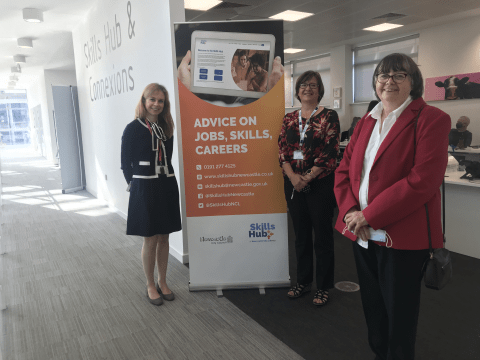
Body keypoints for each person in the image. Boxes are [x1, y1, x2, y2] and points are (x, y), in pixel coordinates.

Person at [334, 53, 450, 359]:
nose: (389, 82)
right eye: (383, 76)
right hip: (361, 233)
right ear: (374, 83)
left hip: (401, 237)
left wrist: (368, 214)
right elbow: (345, 171)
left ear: (414, 83)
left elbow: (422, 181)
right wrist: (349, 211)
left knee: (400, 316)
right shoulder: (366, 122)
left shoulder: (431, 120)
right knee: (373, 309)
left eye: (399, 75)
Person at [278, 70, 340, 306]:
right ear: (297, 90)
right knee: (301, 236)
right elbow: (282, 149)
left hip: (320, 184)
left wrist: (307, 177)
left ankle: (323, 286)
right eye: (303, 85)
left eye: (313, 85)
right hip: (293, 183)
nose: (307, 88)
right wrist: (294, 177)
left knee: (322, 237)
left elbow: (330, 152)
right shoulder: (289, 118)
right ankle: (303, 282)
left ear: (319, 90)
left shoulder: (329, 116)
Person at [121, 83, 182, 306]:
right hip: (145, 187)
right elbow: (125, 162)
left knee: (164, 236)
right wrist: (133, 184)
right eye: (152, 99)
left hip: (166, 184)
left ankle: (162, 281)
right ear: (144, 101)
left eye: (161, 101)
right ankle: (149, 284)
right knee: (150, 238)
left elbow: (168, 157)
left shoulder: (167, 127)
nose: (156, 104)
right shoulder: (133, 128)